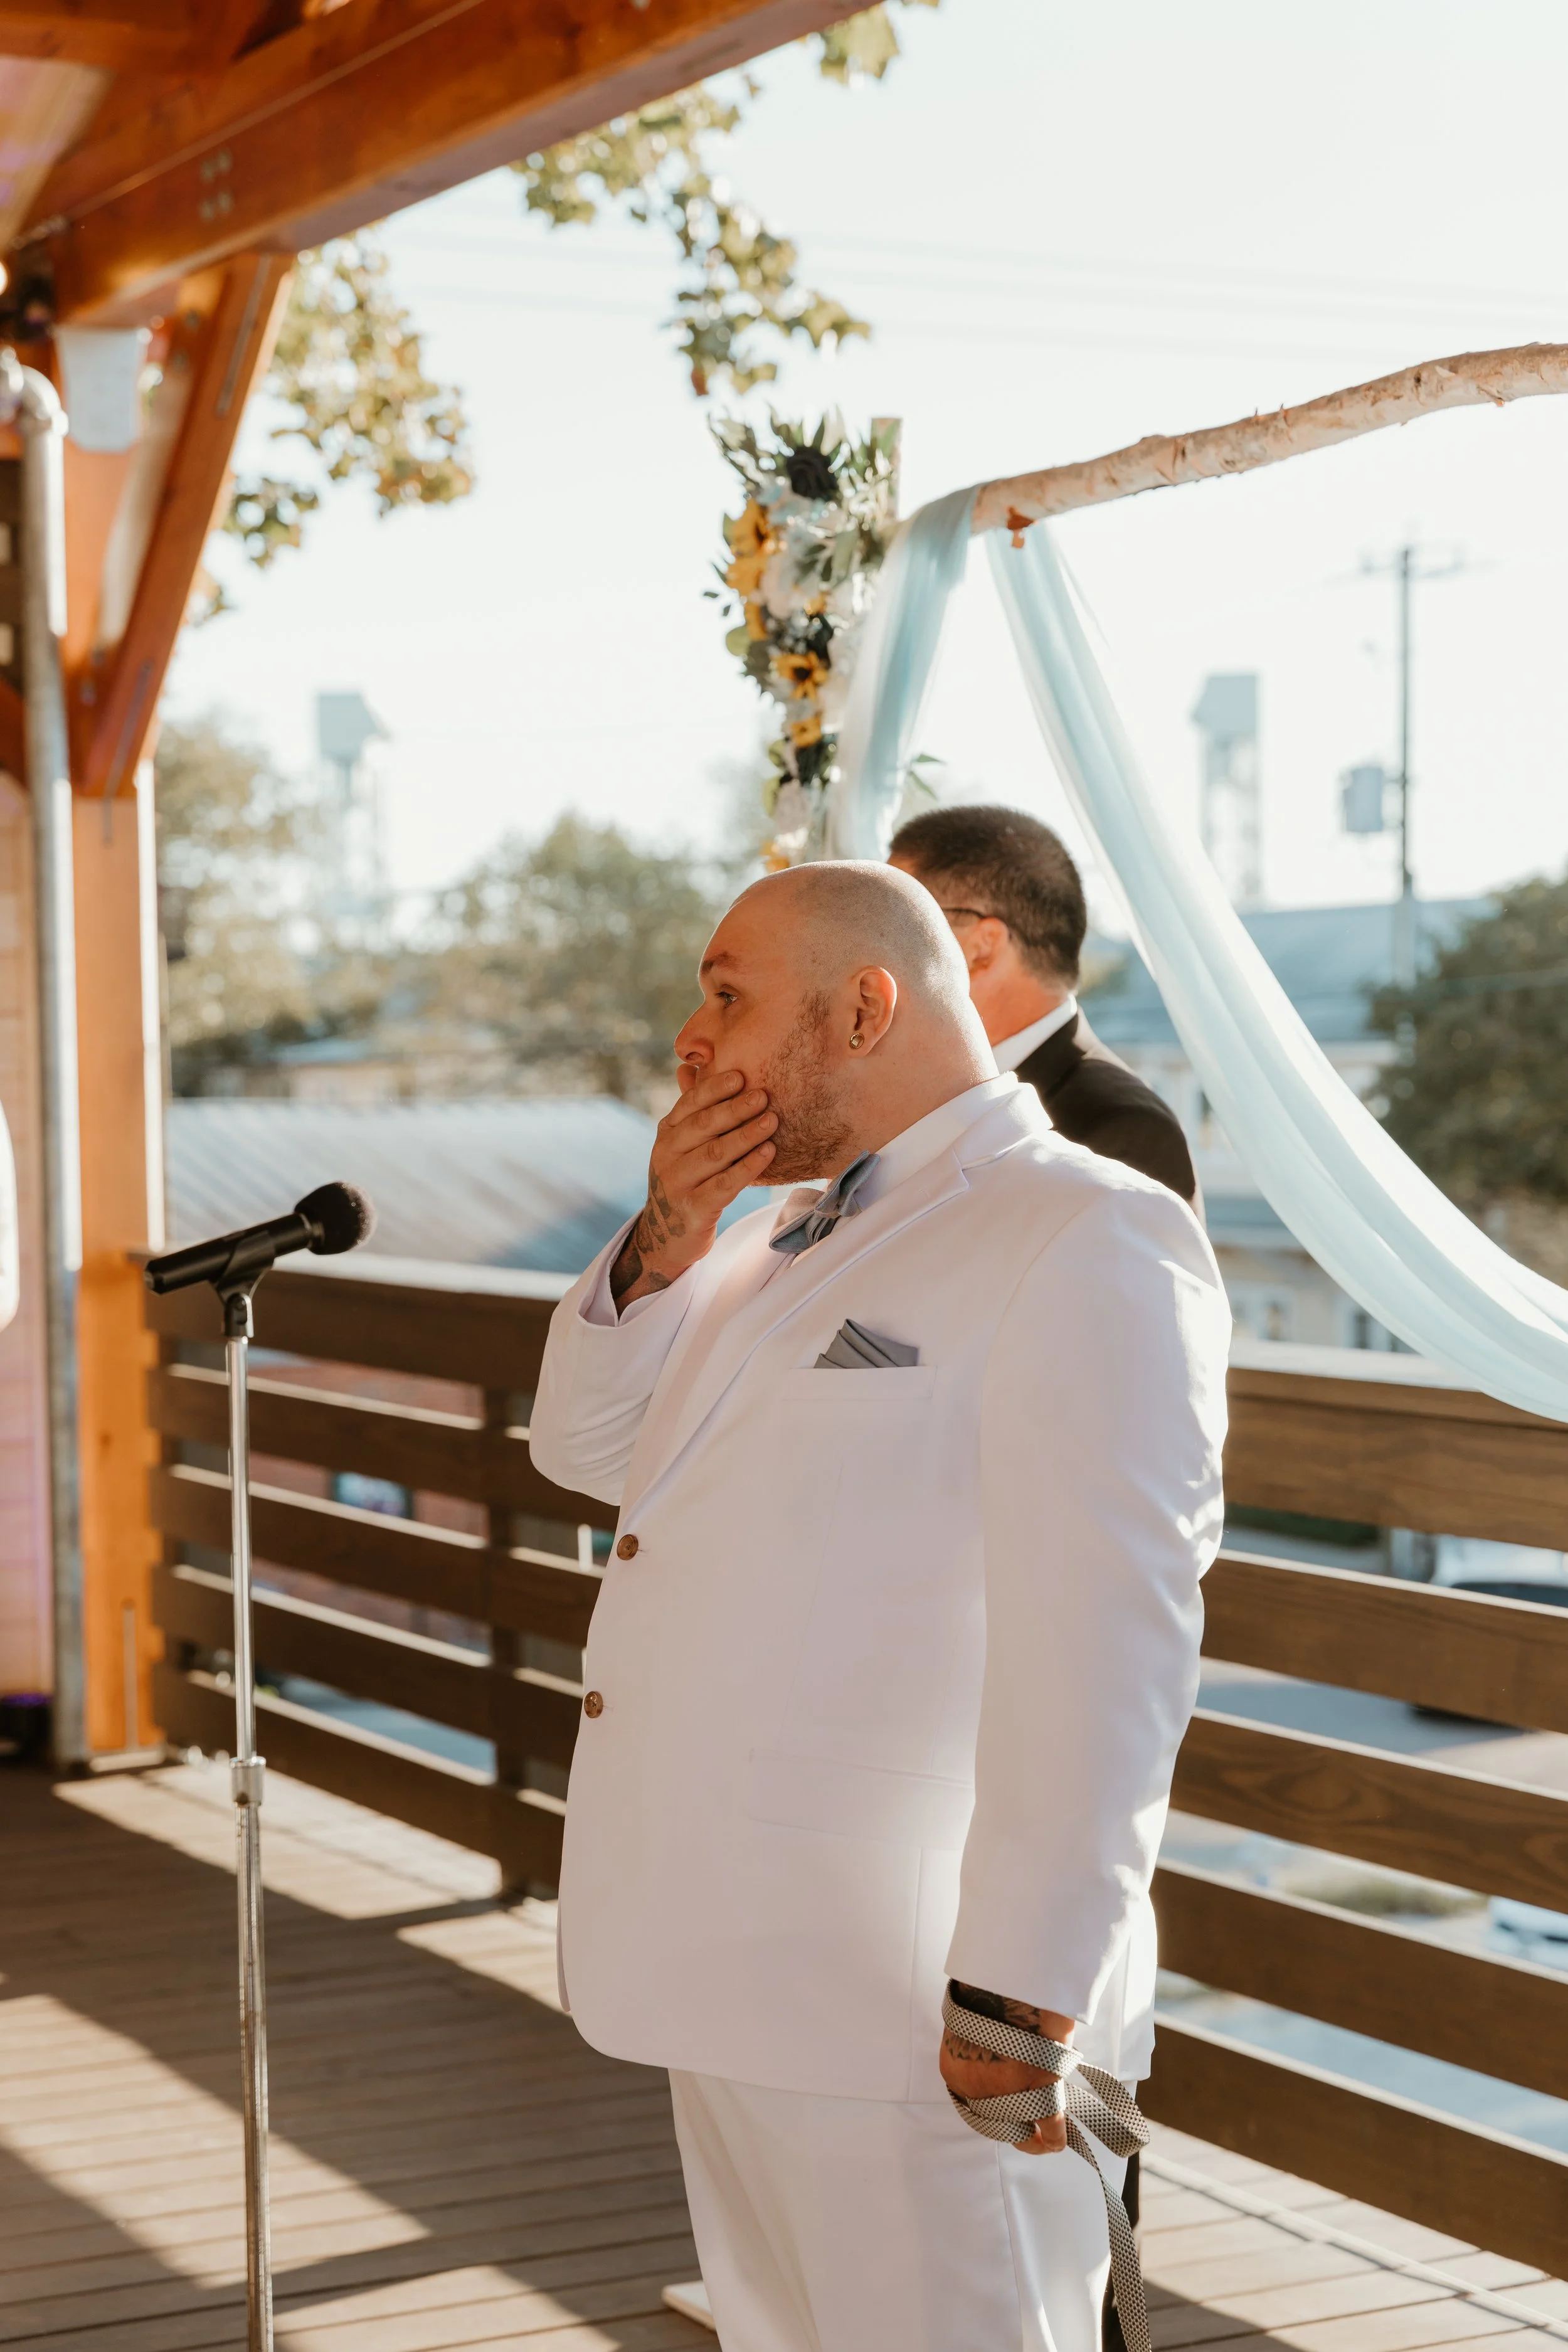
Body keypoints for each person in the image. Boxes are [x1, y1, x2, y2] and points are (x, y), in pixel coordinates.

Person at [529, 861, 1229, 2352]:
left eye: (727, 991)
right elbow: (584, 1452)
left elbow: (1109, 1639)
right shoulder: (758, 1233)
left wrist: (1021, 1993)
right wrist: (665, 1228)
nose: (689, 1036)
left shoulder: (1082, 1227)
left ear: (866, 1003)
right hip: (723, 1958)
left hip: (914, 2003)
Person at [889, 804, 1198, 1205]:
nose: (876, 953)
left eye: (899, 925)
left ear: (982, 947)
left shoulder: (1125, 1128)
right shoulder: (918, 1091)